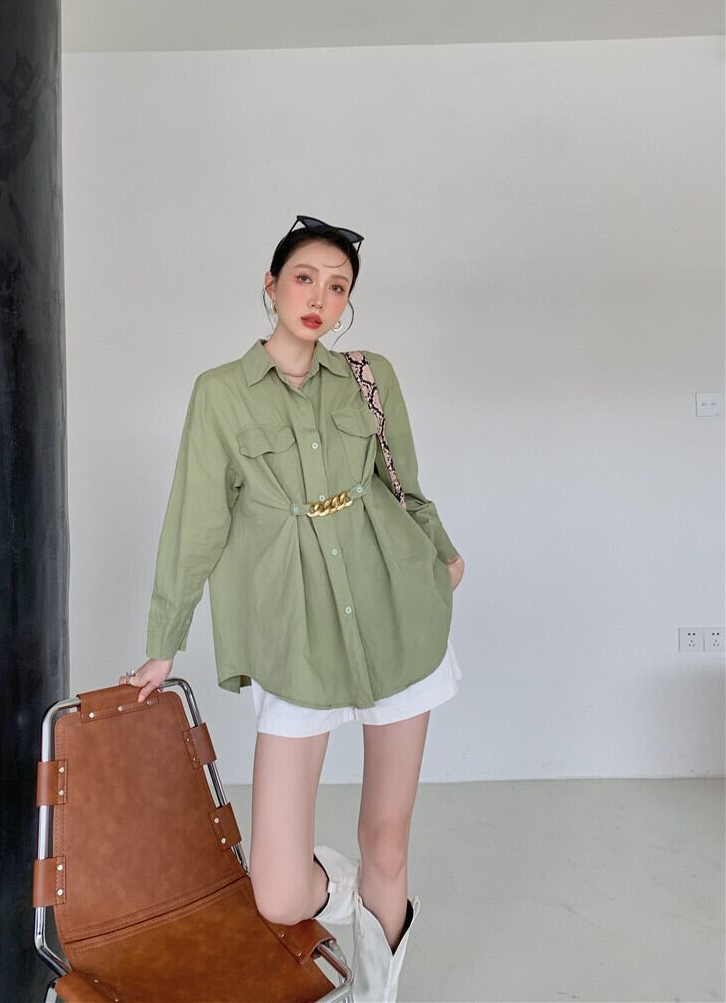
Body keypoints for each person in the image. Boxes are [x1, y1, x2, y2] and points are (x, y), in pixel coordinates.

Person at [119, 214, 466, 1001]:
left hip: (394, 615)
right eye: (305, 278)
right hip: (293, 631)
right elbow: (195, 523)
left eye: (338, 287)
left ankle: (376, 990)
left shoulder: (369, 376)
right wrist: (165, 642)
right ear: (271, 285)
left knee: (387, 840)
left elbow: (403, 484)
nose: (320, 299)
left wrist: (442, 554)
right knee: (278, 891)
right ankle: (356, 905)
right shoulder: (220, 394)